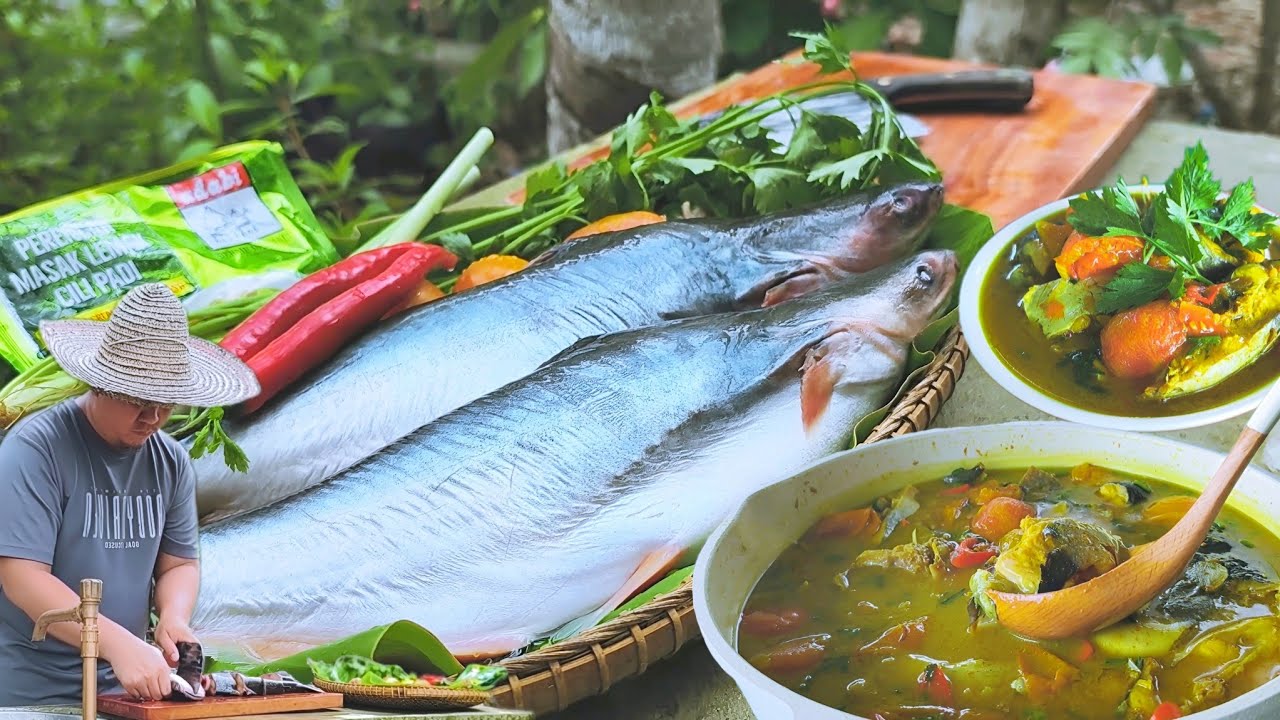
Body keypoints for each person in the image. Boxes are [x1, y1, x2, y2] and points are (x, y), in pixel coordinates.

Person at [0, 283, 260, 706]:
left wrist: (173, 617)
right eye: (138, 399)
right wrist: (119, 644)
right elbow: (22, 578)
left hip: (128, 692)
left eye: (166, 403)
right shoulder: (35, 449)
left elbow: (179, 563)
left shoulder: (170, 460)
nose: (153, 417)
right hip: (30, 697)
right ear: (99, 384)